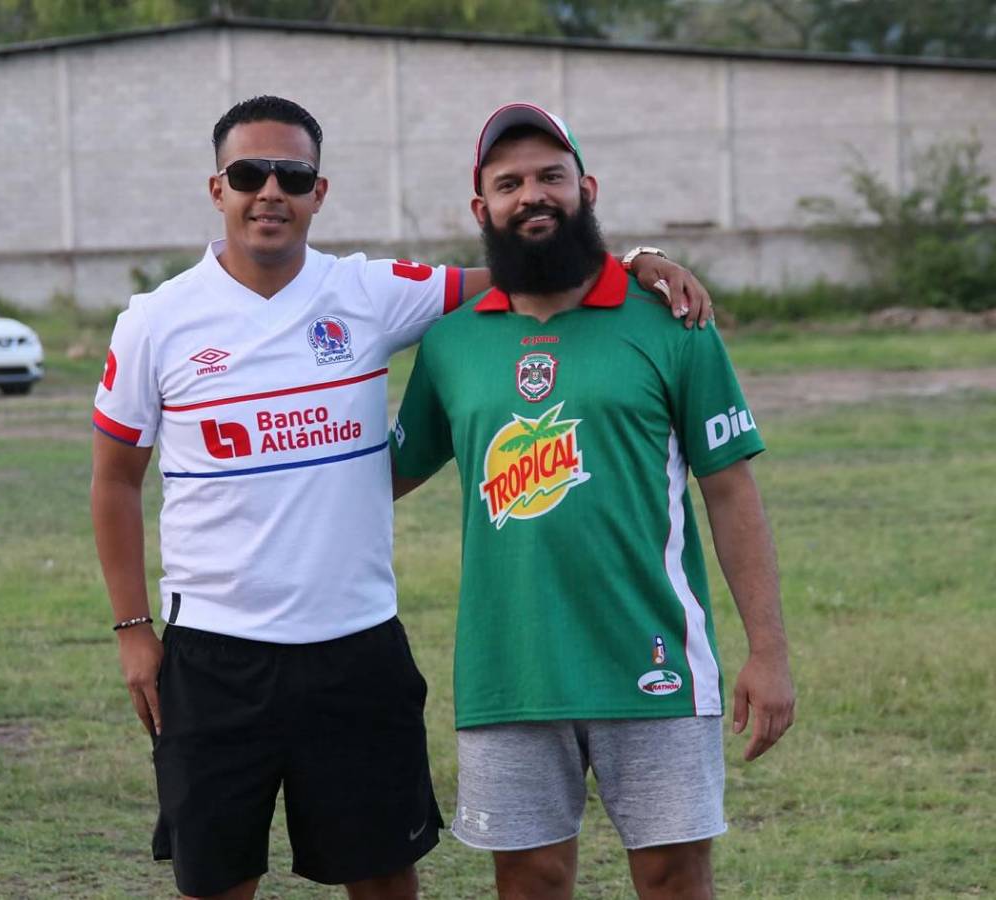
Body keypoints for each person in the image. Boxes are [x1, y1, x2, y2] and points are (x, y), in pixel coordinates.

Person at [90, 95, 712, 900]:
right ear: (219, 189)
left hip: (356, 649)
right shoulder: (155, 321)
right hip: (214, 654)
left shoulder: (373, 291)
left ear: (321, 192)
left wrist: (635, 262)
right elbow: (113, 480)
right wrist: (134, 629)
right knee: (216, 881)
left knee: (384, 879)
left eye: (293, 175)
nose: (270, 191)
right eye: (250, 173)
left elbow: (530, 264)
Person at [389, 102, 796, 900]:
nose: (531, 195)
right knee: (532, 880)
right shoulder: (453, 340)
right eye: (509, 183)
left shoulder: (674, 320)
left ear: (587, 188)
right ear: (482, 208)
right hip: (508, 668)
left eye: (551, 176)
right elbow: (384, 480)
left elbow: (731, 492)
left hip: (654, 661)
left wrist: (770, 653)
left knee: (674, 876)